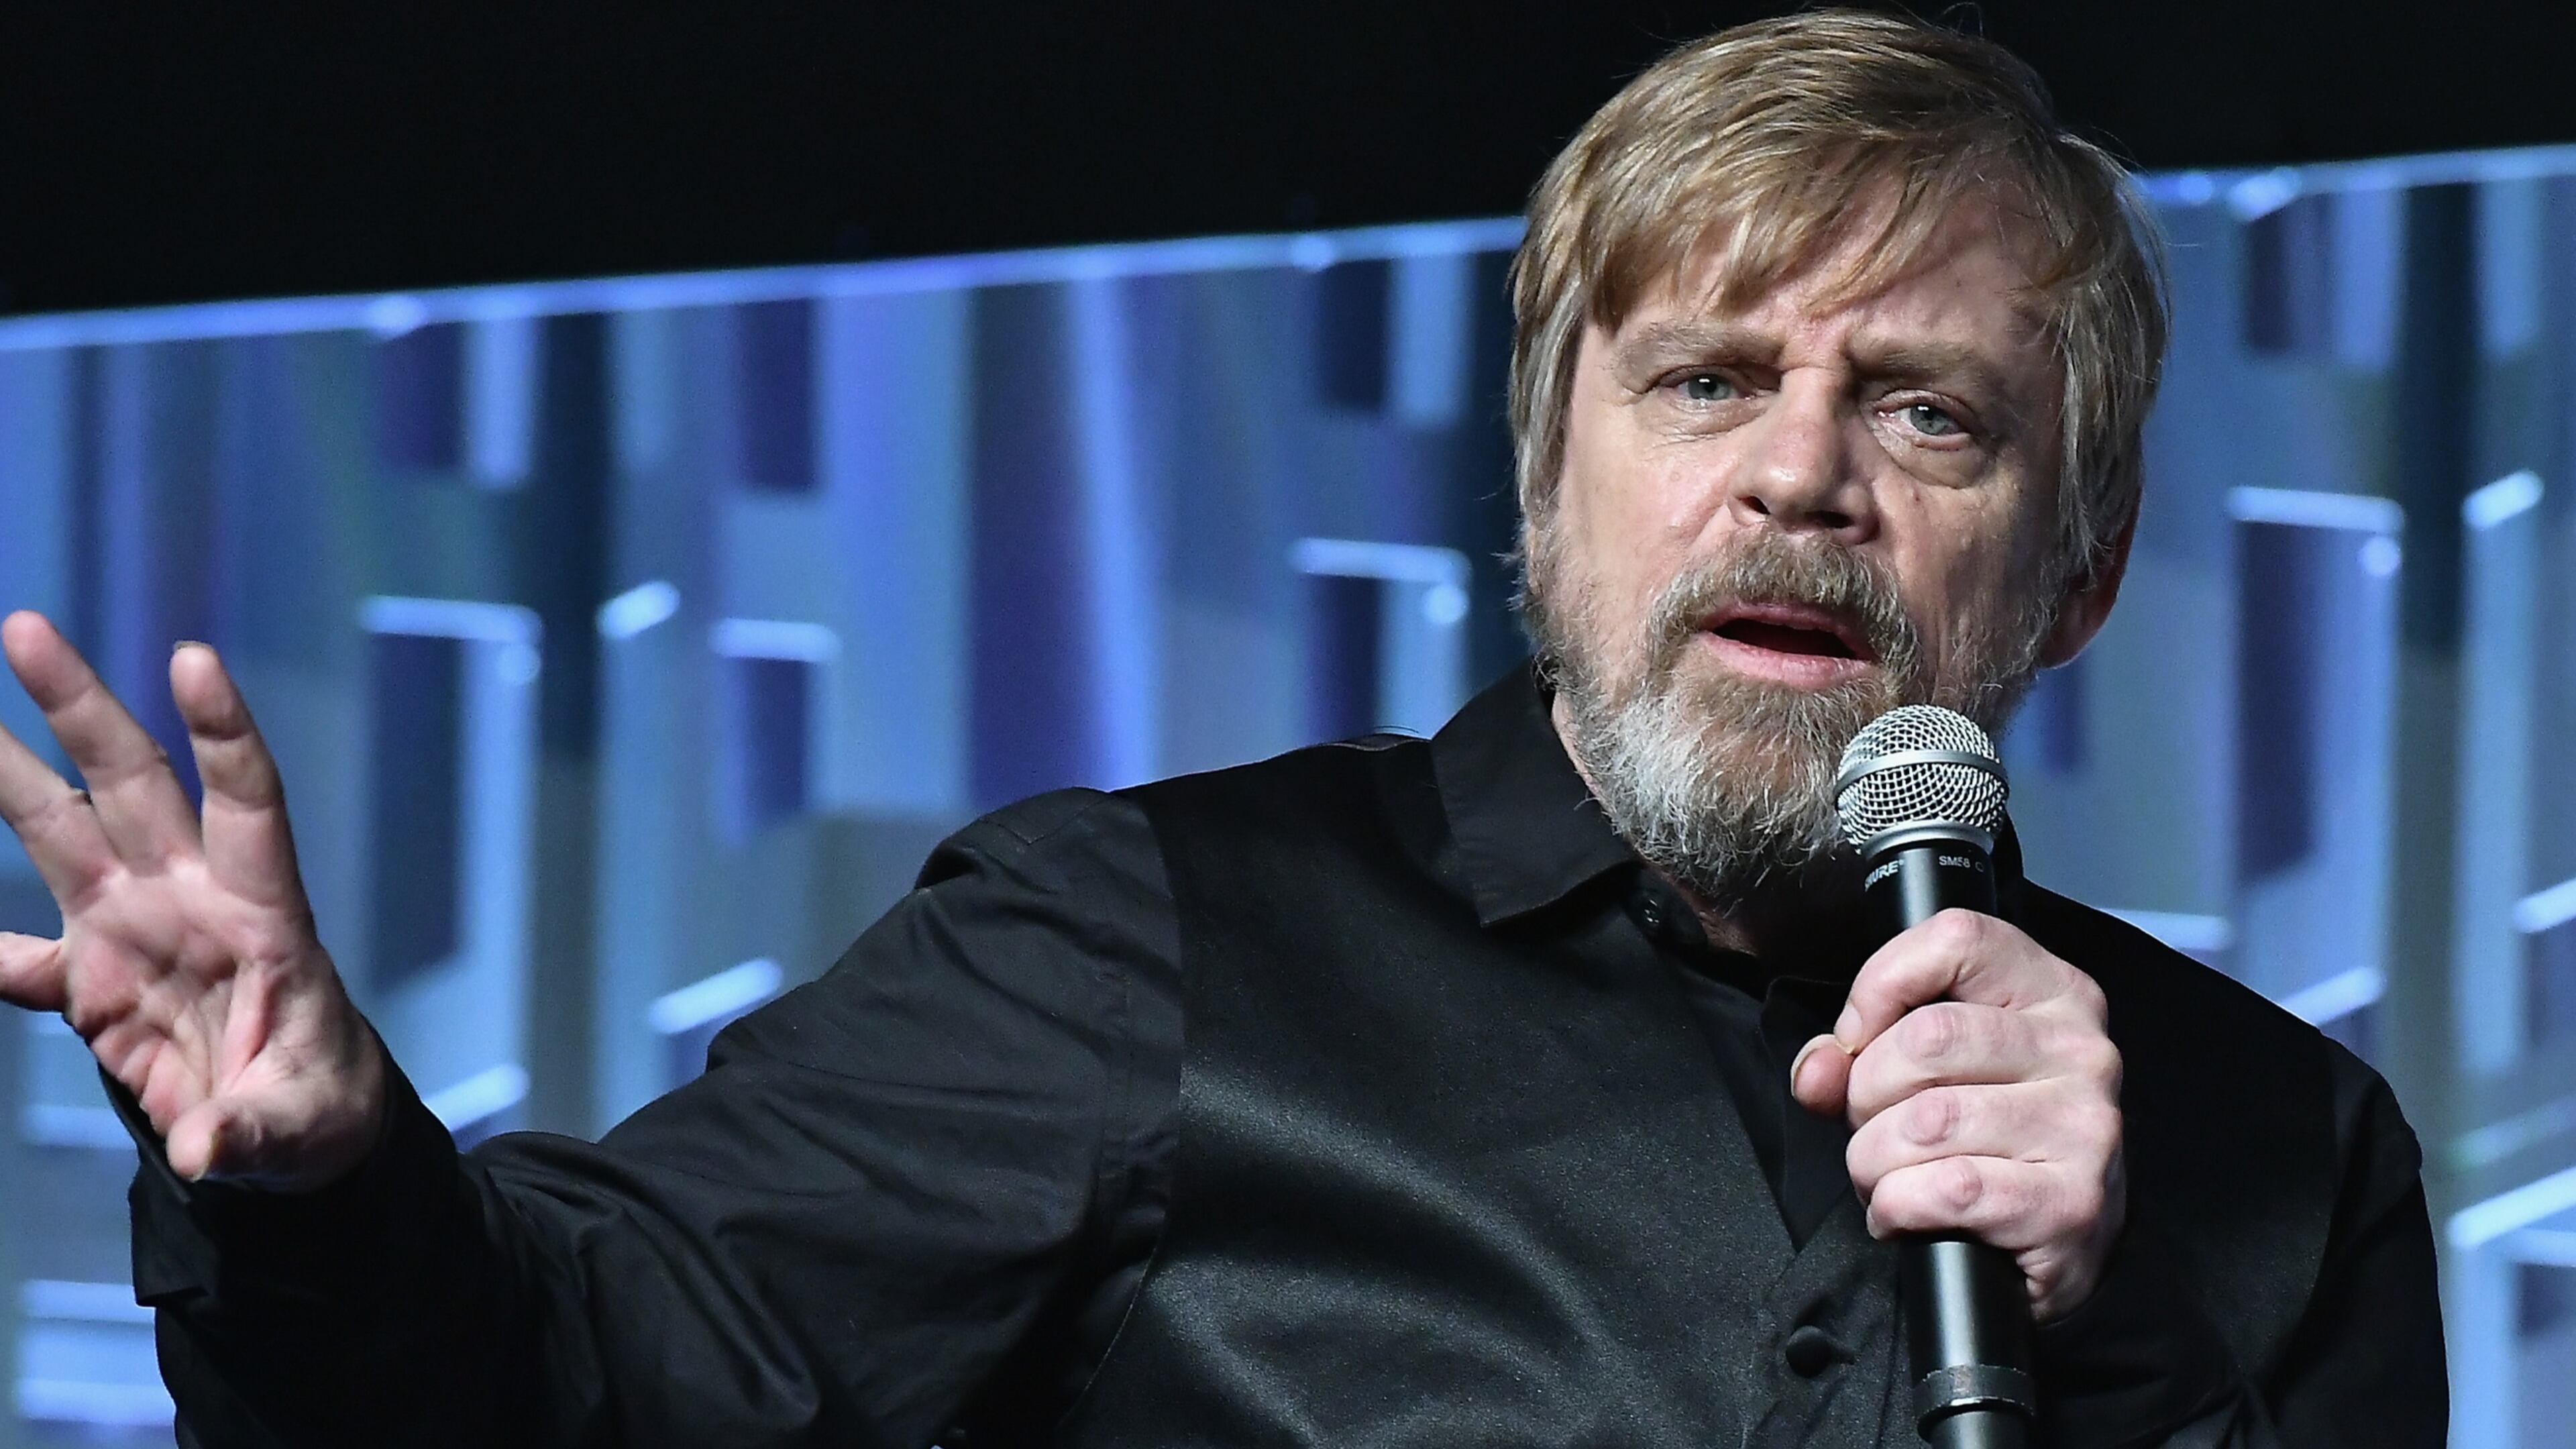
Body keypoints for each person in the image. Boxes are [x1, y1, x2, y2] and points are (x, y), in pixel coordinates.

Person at [0, 10, 2442, 1448]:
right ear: (1545, 494)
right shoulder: (1144, 940)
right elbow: (598, 1376)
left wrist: (2104, 1344)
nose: (1798, 474)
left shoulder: (2279, 1149)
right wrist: (314, 1184)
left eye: (1927, 418)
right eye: (1706, 381)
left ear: (2082, 567)